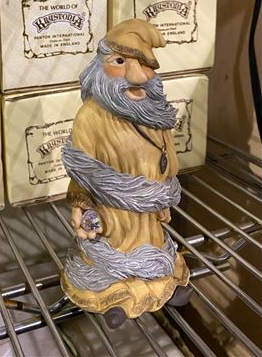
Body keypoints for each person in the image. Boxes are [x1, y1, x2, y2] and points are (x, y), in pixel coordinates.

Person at [61, 18, 190, 328]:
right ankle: (113, 297)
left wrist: (161, 196)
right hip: (111, 215)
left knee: (152, 249)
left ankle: (159, 285)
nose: (136, 76)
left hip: (147, 216)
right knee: (111, 255)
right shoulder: (90, 117)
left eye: (143, 65)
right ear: (100, 67)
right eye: (119, 62)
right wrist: (81, 205)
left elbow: (165, 158)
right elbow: (83, 168)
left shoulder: (153, 113)